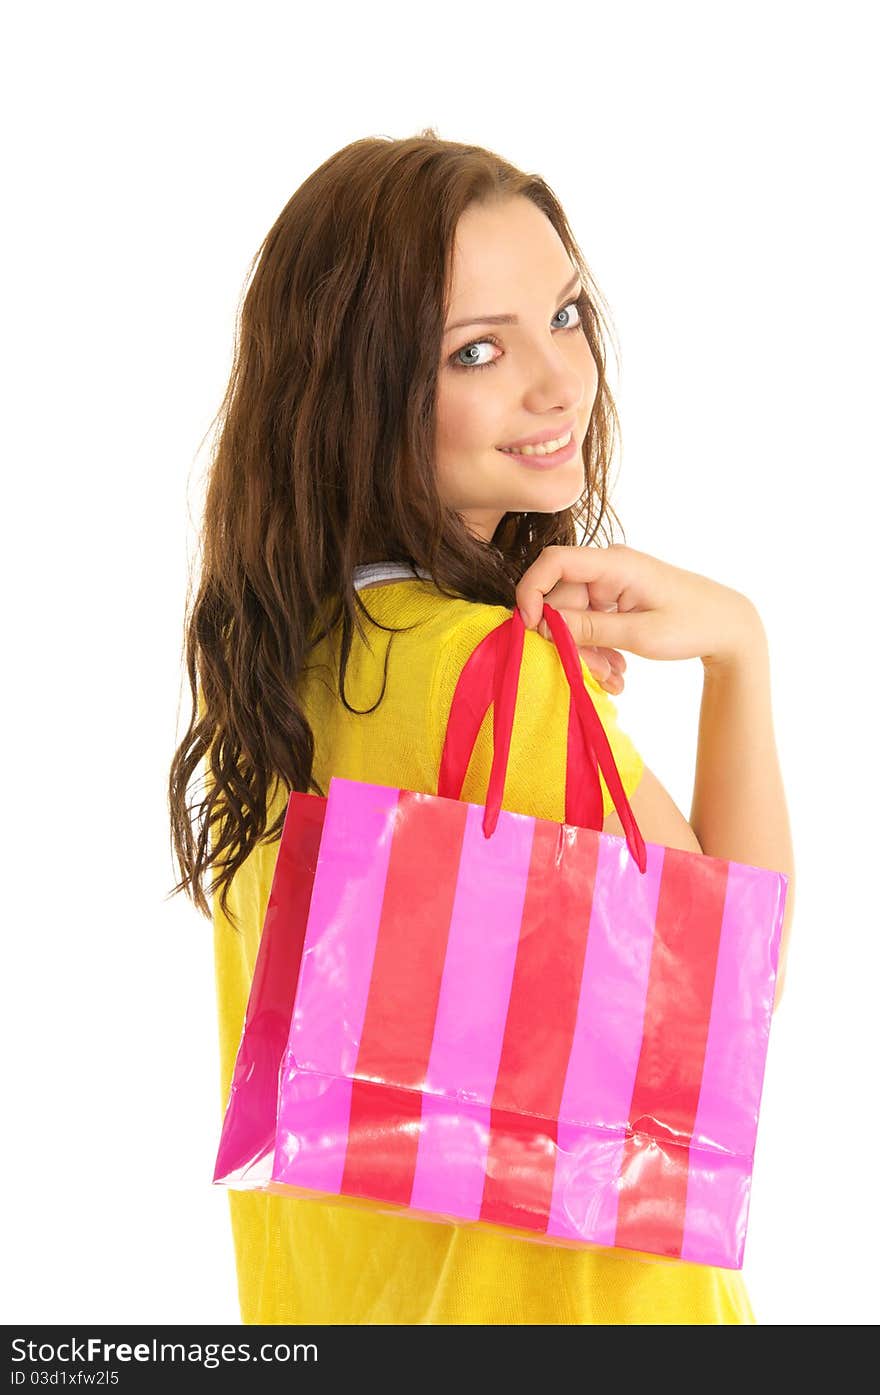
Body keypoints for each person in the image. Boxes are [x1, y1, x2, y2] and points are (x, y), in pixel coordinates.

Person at [168, 129, 794, 1324]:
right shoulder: (495, 674)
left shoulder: (267, 671)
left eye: (563, 316)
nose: (557, 383)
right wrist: (737, 653)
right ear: (360, 391)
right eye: (475, 351)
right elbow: (736, 1003)